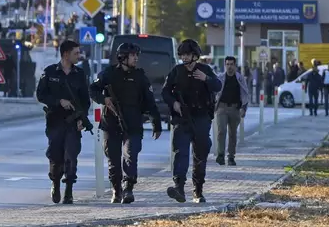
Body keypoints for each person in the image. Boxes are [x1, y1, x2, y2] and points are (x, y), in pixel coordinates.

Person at [90, 43, 162, 204]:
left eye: (137, 55)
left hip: (133, 123)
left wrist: (156, 123)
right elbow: (93, 89)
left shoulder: (140, 76)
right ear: (123, 57)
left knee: (131, 155)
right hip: (111, 122)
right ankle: (117, 190)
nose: (136, 58)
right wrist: (104, 99)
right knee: (113, 159)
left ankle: (128, 188)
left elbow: (149, 102)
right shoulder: (108, 74)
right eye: (132, 55)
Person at [162, 39, 222, 203]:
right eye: (182, 55)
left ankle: (198, 190)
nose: (185, 58)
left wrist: (206, 79)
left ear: (195, 55)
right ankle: (179, 187)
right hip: (182, 119)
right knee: (180, 152)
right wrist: (173, 103)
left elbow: (218, 85)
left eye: (187, 54)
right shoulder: (176, 71)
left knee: (200, 154)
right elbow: (165, 91)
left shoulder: (205, 70)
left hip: (201, 118)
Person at [36, 40, 92, 204]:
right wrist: (58, 101)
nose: (78, 56)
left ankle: (69, 191)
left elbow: (85, 100)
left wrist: (82, 118)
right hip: (55, 121)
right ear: (66, 54)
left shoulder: (80, 74)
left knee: (71, 155)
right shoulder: (50, 72)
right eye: (76, 53)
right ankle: (55, 183)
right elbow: (41, 95)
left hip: (73, 123)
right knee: (56, 156)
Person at [215, 56, 249, 166]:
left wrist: (244, 108)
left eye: (231, 64)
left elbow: (245, 94)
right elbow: (214, 91)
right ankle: (220, 155)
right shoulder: (220, 78)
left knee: (233, 134)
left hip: (235, 108)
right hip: (222, 107)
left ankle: (231, 157)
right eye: (227, 64)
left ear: (235, 66)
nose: (229, 67)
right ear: (225, 65)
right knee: (221, 130)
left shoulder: (240, 78)